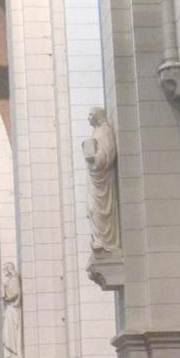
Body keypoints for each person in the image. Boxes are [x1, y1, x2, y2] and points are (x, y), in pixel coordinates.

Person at [82, 107, 120, 253]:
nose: (89, 117)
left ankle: (106, 241)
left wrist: (95, 158)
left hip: (102, 179)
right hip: (94, 177)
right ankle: (98, 238)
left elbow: (108, 154)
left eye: (91, 114)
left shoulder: (105, 131)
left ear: (98, 116)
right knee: (91, 208)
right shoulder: (96, 131)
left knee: (97, 209)